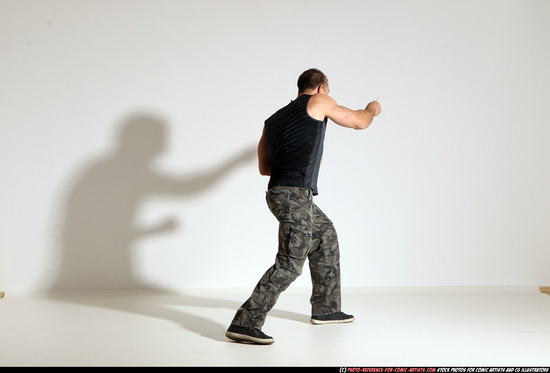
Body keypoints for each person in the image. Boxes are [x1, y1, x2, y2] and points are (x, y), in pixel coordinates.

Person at [226, 68, 382, 344]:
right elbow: (360, 122)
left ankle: (326, 309)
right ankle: (245, 322)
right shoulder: (318, 102)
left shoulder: (272, 121)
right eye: (329, 90)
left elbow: (264, 168)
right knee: (289, 262)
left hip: (279, 193)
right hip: (295, 196)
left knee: (324, 234)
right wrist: (371, 108)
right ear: (321, 87)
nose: (330, 96)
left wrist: (297, 156)